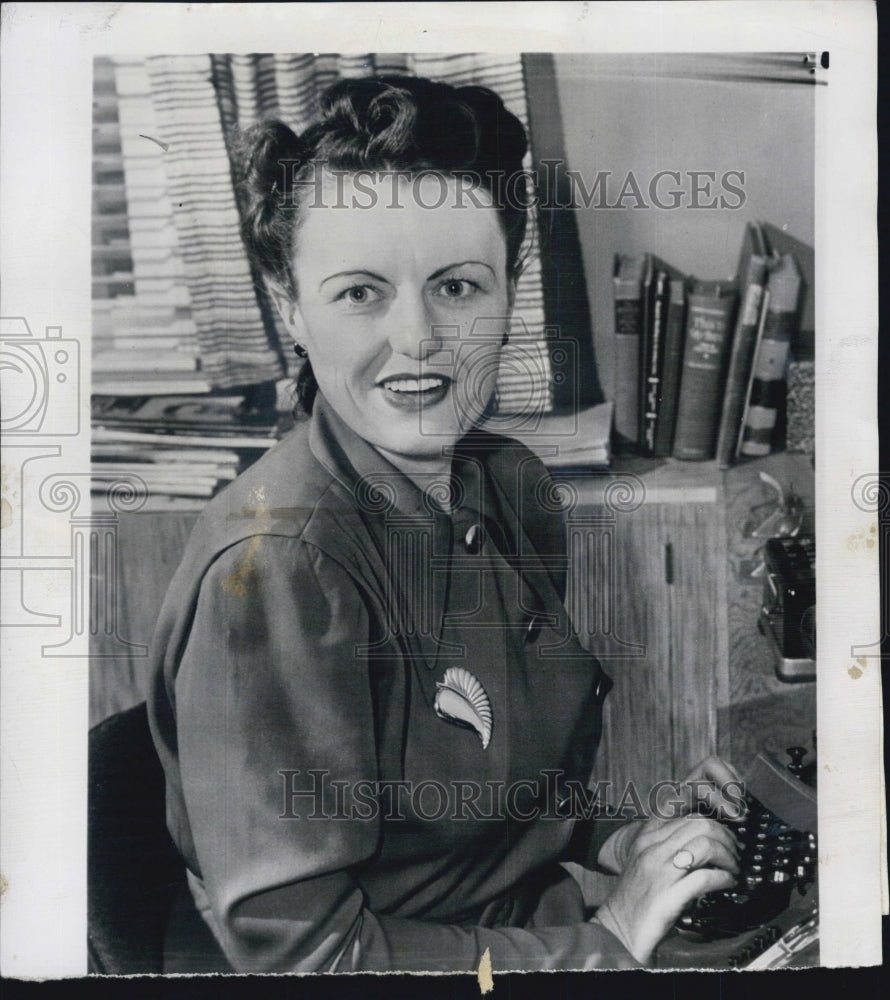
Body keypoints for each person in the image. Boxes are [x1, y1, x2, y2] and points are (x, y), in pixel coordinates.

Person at [147, 74, 743, 974]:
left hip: (505, 929)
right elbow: (307, 957)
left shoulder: (507, 486)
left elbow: (481, 801)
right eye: (359, 293)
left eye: (459, 286)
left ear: (510, 293)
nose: (419, 336)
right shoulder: (278, 565)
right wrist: (607, 940)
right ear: (290, 310)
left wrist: (620, 843)